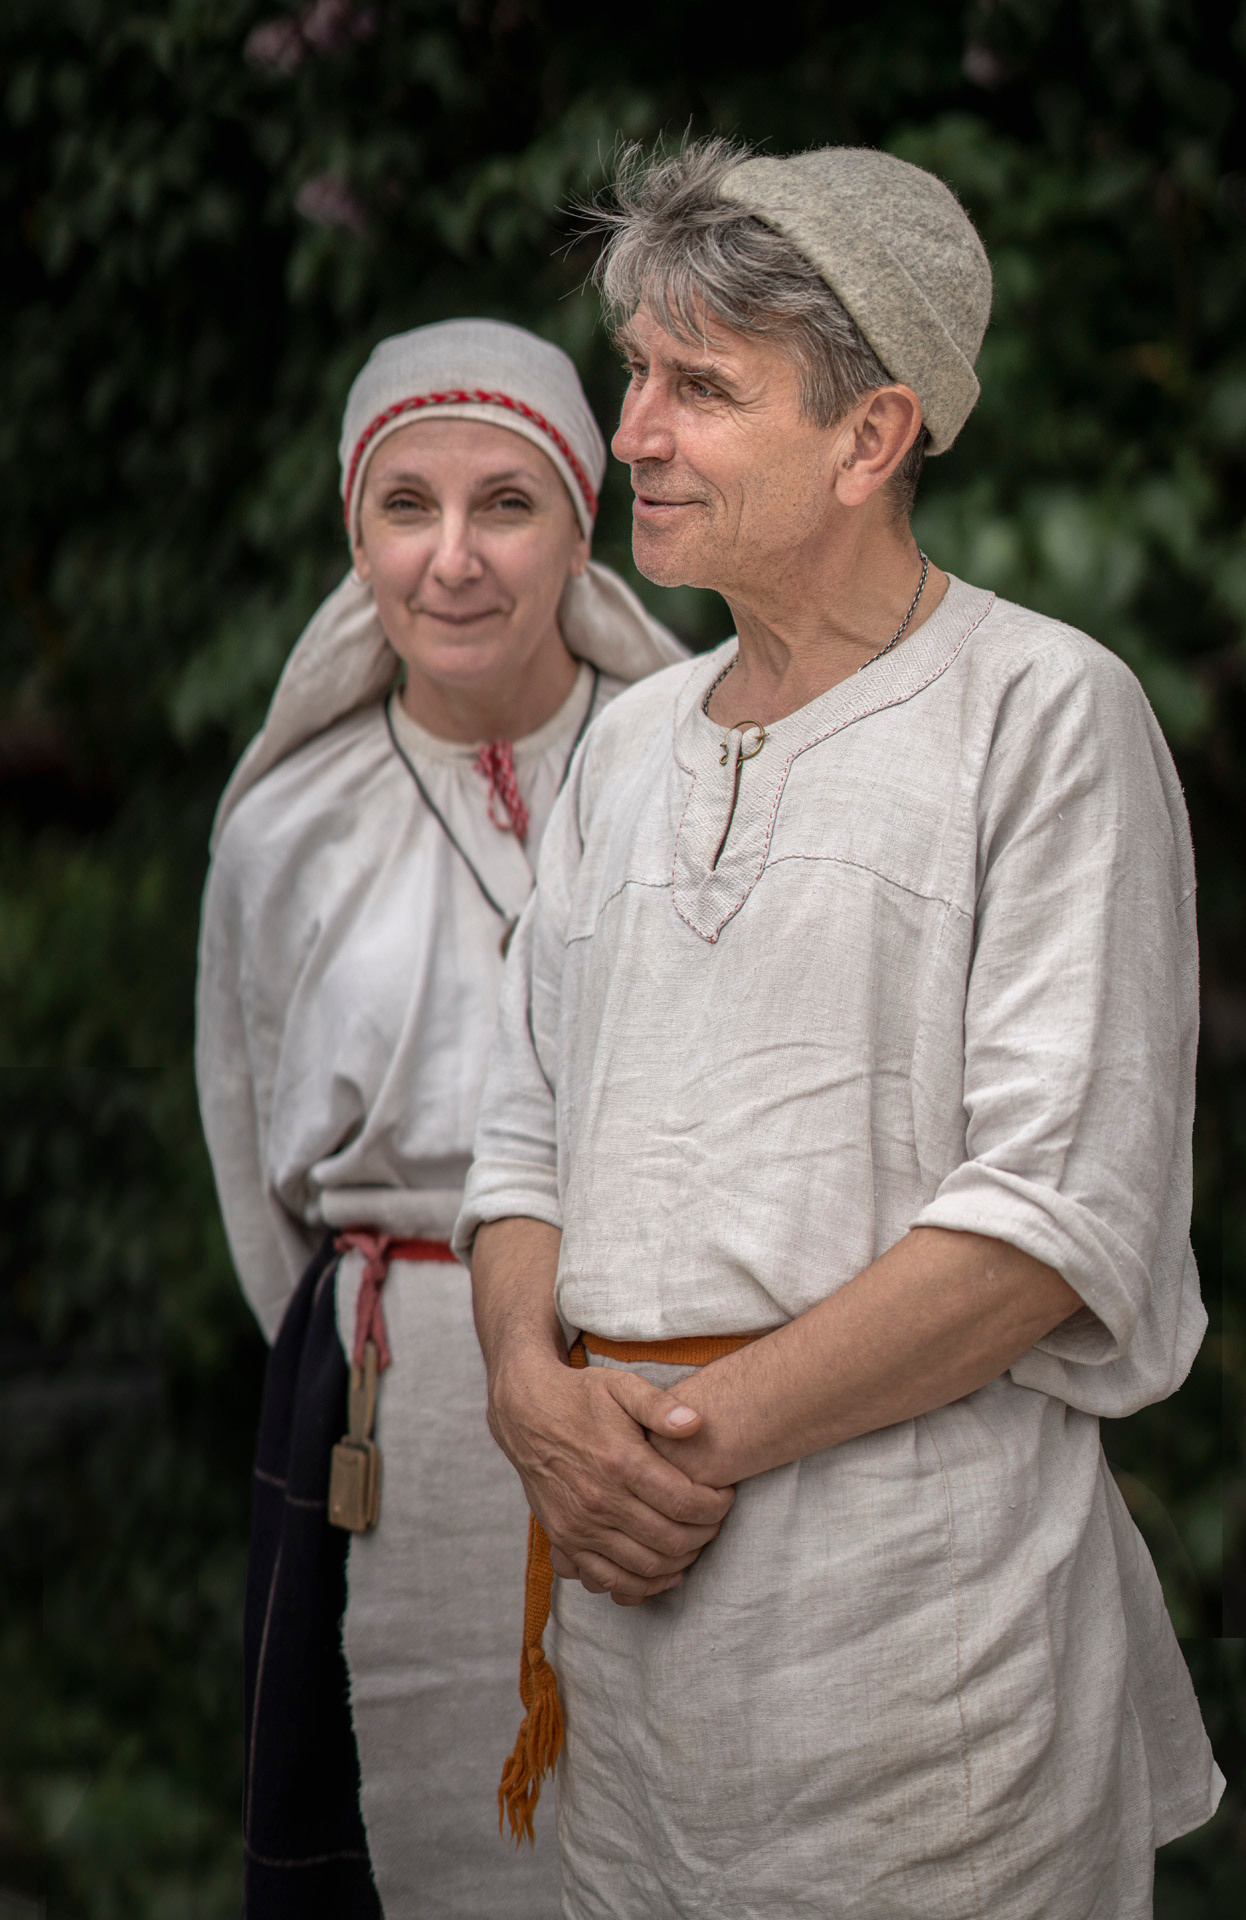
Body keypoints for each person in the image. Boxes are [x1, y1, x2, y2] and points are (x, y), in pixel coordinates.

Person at [455, 142, 1225, 1918]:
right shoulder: (631, 741)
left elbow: (1045, 1226)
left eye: (699, 387)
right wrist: (522, 1393)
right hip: (635, 1667)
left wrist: (656, 1452)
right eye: (633, 374)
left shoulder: (1043, 715)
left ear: (871, 437)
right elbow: (521, 1131)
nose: (629, 432)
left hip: (915, 1660)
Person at [195, 317, 683, 1918]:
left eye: (507, 504)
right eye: (407, 506)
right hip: (376, 1400)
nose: (454, 559)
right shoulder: (284, 829)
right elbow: (245, 1145)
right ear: (358, 535)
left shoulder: (691, 778)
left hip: (667, 1390)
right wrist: (379, 1337)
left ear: (581, 525)